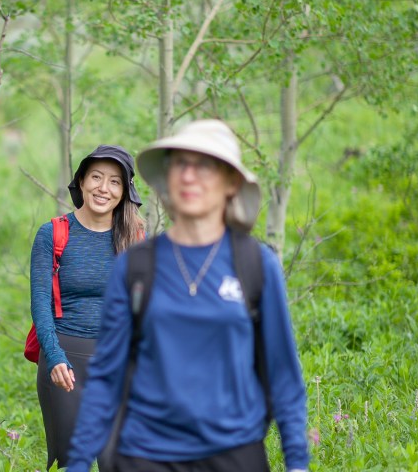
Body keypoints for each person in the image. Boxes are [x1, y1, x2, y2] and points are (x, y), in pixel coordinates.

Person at [67, 120, 310, 472]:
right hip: (145, 454)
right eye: (180, 163)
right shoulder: (136, 266)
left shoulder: (256, 264)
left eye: (205, 166)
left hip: (234, 452)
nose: (189, 176)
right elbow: (106, 376)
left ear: (231, 183)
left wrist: (297, 462)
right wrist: (77, 463)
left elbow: (283, 373)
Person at [30, 145, 144, 470]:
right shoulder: (52, 234)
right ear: (81, 181)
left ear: (124, 192)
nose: (103, 188)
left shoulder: (135, 238)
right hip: (64, 364)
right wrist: (53, 357)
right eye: (96, 177)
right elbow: (40, 304)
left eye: (114, 182)